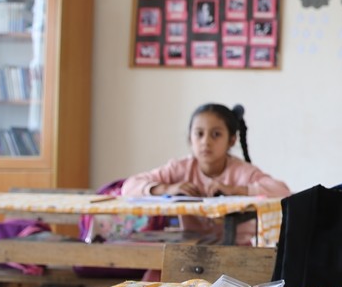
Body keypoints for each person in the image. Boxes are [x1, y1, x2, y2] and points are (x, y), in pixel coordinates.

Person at [122, 103, 291, 245]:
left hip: (237, 250)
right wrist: (167, 188)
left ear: (231, 140)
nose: (206, 142)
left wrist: (235, 190)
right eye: (199, 134)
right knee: (151, 278)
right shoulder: (179, 169)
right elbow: (129, 187)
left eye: (216, 134)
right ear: (190, 138)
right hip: (190, 249)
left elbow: (283, 191)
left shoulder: (241, 171)